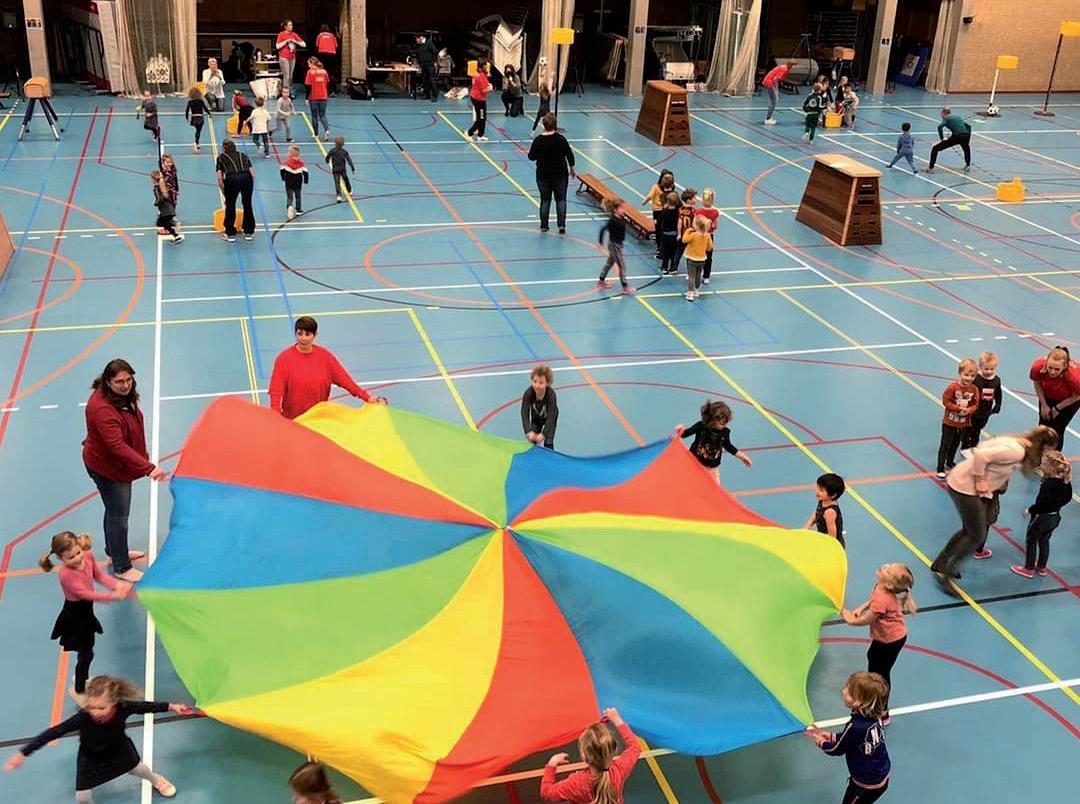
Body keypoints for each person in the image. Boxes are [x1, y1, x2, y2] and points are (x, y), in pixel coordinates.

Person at [3, 676, 190, 800]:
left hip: (119, 750)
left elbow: (145, 707)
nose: (96, 712)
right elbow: (54, 732)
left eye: (102, 707)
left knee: (139, 769)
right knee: (82, 798)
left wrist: (171, 706)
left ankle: (157, 780)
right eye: (92, 707)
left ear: (114, 702)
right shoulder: (83, 718)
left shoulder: (124, 707)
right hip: (91, 758)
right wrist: (23, 753)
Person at [930, 426, 1058, 585]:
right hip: (965, 488)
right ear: (1042, 446)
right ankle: (948, 570)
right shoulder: (1017, 451)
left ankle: (941, 563)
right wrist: (980, 480)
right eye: (1047, 450)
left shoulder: (1016, 443)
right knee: (977, 535)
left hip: (963, 483)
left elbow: (983, 450)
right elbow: (981, 456)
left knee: (969, 531)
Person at [83, 359, 166, 583]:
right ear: (108, 382)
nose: (126, 385)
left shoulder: (121, 397)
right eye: (120, 381)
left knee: (113, 512)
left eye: (129, 379)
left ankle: (114, 551)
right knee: (119, 517)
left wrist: (141, 453)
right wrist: (148, 467)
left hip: (118, 466)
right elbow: (117, 446)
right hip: (109, 470)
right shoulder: (102, 409)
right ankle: (121, 566)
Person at [40, 532, 131, 703]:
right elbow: (85, 594)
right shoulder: (65, 574)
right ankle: (79, 689)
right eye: (70, 557)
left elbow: (100, 576)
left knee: (87, 650)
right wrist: (113, 596)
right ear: (60, 559)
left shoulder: (88, 557)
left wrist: (117, 584)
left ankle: (82, 677)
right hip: (75, 614)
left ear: (80, 547)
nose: (77, 558)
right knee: (86, 653)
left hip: (86, 611)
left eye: (78, 553)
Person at [268, 316, 386, 419]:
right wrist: (275, 416)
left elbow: (346, 381)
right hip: (294, 422)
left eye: (308, 334)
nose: (303, 338)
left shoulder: (325, 357)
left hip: (319, 420)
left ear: (315, 335)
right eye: (300, 334)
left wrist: (367, 397)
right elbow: (276, 391)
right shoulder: (283, 359)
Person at [842, 563, 916, 715]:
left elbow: (867, 619)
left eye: (888, 570)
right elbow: (873, 600)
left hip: (891, 641)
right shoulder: (880, 587)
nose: (885, 566)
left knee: (879, 676)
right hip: (884, 638)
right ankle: (874, 702)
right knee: (872, 658)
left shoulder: (884, 599)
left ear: (889, 584)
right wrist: (861, 608)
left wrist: (850, 620)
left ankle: (882, 711)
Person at [807, 672, 891, 804]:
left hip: (866, 785)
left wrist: (822, 742)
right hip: (880, 775)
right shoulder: (875, 718)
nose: (843, 691)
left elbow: (836, 749)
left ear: (860, 702)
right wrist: (832, 736)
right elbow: (853, 739)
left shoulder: (855, 726)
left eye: (849, 692)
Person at [540, 708, 640, 804]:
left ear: (584, 757)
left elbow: (547, 793)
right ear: (611, 751)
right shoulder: (618, 770)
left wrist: (551, 765)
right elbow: (635, 747)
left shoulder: (576, 783)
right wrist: (617, 719)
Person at [1011, 450, 1072, 579]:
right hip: (1055, 517)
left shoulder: (1048, 484)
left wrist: (1030, 510)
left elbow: (1042, 504)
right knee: (1044, 540)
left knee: (1031, 540)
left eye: (1043, 463)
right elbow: (1068, 498)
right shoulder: (1065, 482)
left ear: (1051, 468)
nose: (1041, 465)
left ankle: (1029, 568)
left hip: (1041, 518)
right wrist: (1057, 506)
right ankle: (1042, 567)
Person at [675, 400, 752, 482]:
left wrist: (742, 457)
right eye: (722, 423)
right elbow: (685, 434)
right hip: (695, 463)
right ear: (712, 419)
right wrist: (679, 430)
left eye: (726, 422)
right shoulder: (701, 426)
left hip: (712, 467)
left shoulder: (725, 432)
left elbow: (729, 446)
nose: (725, 425)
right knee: (690, 482)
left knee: (715, 487)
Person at [527, 112, 576, 234]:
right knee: (561, 199)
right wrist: (572, 168)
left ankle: (544, 225)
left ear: (543, 125)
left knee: (545, 200)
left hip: (543, 175)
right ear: (555, 125)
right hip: (560, 174)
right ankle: (561, 226)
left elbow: (531, 157)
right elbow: (569, 154)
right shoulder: (561, 139)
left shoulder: (538, 140)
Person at [1030, 346, 1080, 448]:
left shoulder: (1074, 378)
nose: (1052, 372)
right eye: (1050, 367)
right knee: (1043, 427)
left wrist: (1057, 408)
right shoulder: (1037, 368)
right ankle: (1038, 452)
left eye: (1057, 369)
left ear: (1065, 367)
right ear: (1046, 363)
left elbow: (1076, 397)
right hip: (1048, 395)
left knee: (1057, 430)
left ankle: (1054, 454)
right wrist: (1044, 404)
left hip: (1069, 400)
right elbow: (1037, 383)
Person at [936, 358, 979, 477]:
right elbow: (946, 401)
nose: (969, 378)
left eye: (972, 376)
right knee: (946, 444)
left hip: (962, 423)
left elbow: (975, 404)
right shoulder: (953, 388)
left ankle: (950, 462)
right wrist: (957, 408)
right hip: (949, 422)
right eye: (966, 375)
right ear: (960, 373)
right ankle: (940, 467)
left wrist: (969, 410)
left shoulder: (974, 389)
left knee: (955, 443)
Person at [216, 139, 256, 242]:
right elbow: (253, 174)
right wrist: (249, 185)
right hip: (246, 177)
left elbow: (220, 178)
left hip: (232, 178)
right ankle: (248, 232)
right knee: (247, 204)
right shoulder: (243, 155)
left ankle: (230, 234)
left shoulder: (221, 157)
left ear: (224, 148)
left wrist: (224, 191)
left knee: (230, 204)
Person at [962, 351, 1002, 450]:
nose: (989, 371)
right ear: (980, 367)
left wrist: (998, 404)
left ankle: (974, 445)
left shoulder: (996, 380)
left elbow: (998, 393)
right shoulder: (976, 379)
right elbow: (967, 391)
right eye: (986, 369)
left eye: (992, 369)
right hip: (973, 410)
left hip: (985, 410)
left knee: (978, 429)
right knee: (969, 429)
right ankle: (965, 445)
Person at [597, 197, 632, 294]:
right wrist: (600, 243)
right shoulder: (613, 220)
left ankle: (601, 280)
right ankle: (625, 287)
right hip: (615, 245)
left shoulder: (621, 218)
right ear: (616, 210)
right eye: (622, 208)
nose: (624, 210)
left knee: (610, 263)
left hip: (619, 244)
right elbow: (602, 229)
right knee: (621, 265)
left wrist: (624, 218)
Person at [521, 364, 558, 449]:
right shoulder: (528, 393)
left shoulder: (551, 395)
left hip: (550, 419)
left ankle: (549, 454)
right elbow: (524, 413)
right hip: (536, 419)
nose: (537, 385)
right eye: (535, 381)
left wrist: (543, 434)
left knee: (548, 442)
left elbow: (551, 417)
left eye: (541, 383)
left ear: (547, 383)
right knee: (532, 441)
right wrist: (528, 431)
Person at [805, 472, 845, 547]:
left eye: (821, 490)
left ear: (833, 495)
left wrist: (827, 547)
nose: (817, 492)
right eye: (817, 488)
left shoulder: (830, 512)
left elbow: (832, 536)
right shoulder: (823, 500)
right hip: (823, 538)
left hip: (831, 544)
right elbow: (817, 512)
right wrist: (807, 526)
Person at [928, 107, 971, 172]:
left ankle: (930, 168)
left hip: (956, 137)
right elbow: (968, 126)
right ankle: (968, 166)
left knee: (935, 148)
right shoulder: (958, 117)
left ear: (943, 113)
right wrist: (968, 139)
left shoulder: (946, 119)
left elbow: (939, 127)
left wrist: (942, 139)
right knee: (966, 150)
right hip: (965, 136)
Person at [643, 170, 675, 258]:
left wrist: (644, 202)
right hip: (666, 210)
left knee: (658, 229)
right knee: (664, 228)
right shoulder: (671, 188)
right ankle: (663, 246)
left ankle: (659, 247)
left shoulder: (656, 187)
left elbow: (650, 196)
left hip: (657, 210)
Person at [681, 214, 712, 301]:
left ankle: (690, 293)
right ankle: (696, 291)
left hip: (692, 259)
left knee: (691, 276)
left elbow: (684, 240)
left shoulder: (693, 235)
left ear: (696, 225)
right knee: (698, 275)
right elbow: (710, 248)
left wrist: (687, 231)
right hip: (702, 259)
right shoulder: (707, 235)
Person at [692, 188, 720, 284]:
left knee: (697, 255)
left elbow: (694, 225)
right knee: (708, 257)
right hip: (709, 237)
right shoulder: (715, 212)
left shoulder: (698, 211)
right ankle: (706, 276)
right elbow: (716, 226)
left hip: (698, 236)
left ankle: (694, 273)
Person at [151, 170, 183, 244]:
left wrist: (155, 203)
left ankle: (176, 231)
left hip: (166, 211)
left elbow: (159, 200)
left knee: (161, 223)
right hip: (168, 209)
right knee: (162, 223)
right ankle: (175, 232)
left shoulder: (156, 188)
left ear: (153, 179)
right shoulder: (162, 186)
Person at [761, 60, 796, 125]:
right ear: (791, 65)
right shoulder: (784, 70)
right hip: (770, 82)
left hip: (768, 81)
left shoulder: (784, 67)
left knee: (774, 101)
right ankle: (768, 119)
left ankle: (768, 117)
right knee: (774, 101)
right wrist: (776, 90)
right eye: (794, 66)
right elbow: (775, 79)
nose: (795, 67)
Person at [305, 57, 331, 141]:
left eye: (309, 64)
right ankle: (327, 130)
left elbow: (308, 86)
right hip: (323, 96)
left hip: (314, 97)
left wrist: (306, 98)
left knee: (314, 116)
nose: (308, 66)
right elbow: (327, 83)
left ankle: (316, 134)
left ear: (312, 63)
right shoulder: (324, 71)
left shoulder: (310, 72)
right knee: (323, 115)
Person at [276, 20, 306, 92]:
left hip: (292, 57)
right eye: (289, 25)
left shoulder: (294, 35)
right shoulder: (281, 34)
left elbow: (304, 44)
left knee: (290, 76)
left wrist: (295, 41)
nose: (291, 26)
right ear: (285, 27)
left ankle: (289, 90)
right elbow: (277, 46)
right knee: (286, 75)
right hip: (284, 57)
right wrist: (286, 41)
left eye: (292, 25)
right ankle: (285, 92)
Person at [280, 144, 309, 220]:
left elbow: (282, 170)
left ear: (290, 153)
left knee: (289, 196)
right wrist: (306, 180)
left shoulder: (287, 162)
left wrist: (283, 178)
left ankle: (289, 206)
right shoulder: (301, 162)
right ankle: (298, 210)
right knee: (298, 195)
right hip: (298, 181)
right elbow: (305, 172)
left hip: (289, 181)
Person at [673, 187, 697, 275]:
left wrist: (679, 233)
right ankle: (690, 271)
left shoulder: (681, 210)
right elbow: (694, 224)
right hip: (690, 235)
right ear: (689, 200)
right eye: (694, 198)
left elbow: (679, 222)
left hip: (683, 234)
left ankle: (674, 268)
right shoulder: (694, 211)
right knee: (690, 254)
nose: (696, 199)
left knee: (678, 252)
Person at [466, 58, 491, 140]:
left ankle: (480, 134)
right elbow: (484, 90)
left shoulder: (478, 74)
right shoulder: (480, 77)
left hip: (476, 98)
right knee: (481, 118)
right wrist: (490, 88)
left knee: (482, 118)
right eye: (485, 65)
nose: (487, 66)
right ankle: (470, 132)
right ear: (482, 66)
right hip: (479, 100)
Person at [325, 136, 355, 202]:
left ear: (335, 143)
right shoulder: (345, 152)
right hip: (343, 169)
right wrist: (352, 168)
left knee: (337, 181)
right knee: (346, 179)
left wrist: (327, 161)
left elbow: (327, 157)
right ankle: (349, 190)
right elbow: (349, 160)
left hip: (335, 169)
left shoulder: (332, 151)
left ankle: (339, 195)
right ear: (343, 144)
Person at [657, 192, 680, 276]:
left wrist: (664, 209)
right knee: (673, 252)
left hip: (666, 235)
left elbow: (659, 221)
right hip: (675, 235)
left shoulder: (665, 212)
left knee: (665, 252)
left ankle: (664, 267)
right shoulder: (677, 212)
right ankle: (673, 268)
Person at [184, 87, 210, 152]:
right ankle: (197, 142)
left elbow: (187, 110)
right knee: (198, 130)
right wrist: (209, 114)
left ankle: (197, 142)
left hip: (194, 118)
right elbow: (205, 108)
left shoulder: (190, 102)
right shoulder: (201, 101)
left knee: (197, 130)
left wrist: (187, 118)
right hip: (200, 117)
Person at [415, 34, 439, 102]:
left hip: (430, 65)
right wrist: (419, 63)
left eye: (417, 39)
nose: (416, 40)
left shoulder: (429, 43)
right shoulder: (420, 45)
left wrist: (435, 61)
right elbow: (419, 54)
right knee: (425, 80)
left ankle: (434, 96)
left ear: (421, 37)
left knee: (432, 80)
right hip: (424, 65)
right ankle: (426, 94)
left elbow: (435, 52)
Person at [315, 25, 339, 91]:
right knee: (331, 72)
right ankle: (331, 88)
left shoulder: (319, 35)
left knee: (322, 70)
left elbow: (317, 45)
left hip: (322, 54)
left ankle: (323, 87)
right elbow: (336, 46)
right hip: (332, 54)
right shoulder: (332, 35)